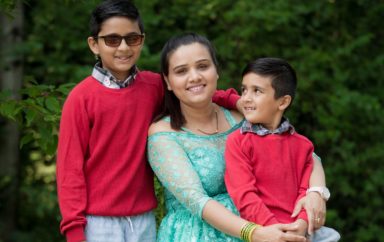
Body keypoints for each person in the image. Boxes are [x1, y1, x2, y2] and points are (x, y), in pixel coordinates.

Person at [56, 1, 239, 242]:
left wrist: (237, 101)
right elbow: (70, 170)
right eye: (112, 40)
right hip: (97, 221)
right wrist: (74, 232)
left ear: (141, 40)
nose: (123, 47)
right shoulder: (81, 98)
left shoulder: (153, 86)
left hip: (143, 219)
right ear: (94, 45)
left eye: (132, 38)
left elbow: (194, 90)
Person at [147, 33, 329, 242]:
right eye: (181, 71)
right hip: (201, 233)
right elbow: (197, 200)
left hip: (266, 222)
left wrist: (316, 192)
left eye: (203, 66)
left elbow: (304, 154)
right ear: (168, 82)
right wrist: (254, 233)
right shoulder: (163, 134)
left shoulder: (244, 116)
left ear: (217, 71)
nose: (195, 76)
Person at [224, 57, 340, 241]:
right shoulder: (238, 142)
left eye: (257, 91)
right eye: (244, 89)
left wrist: (300, 226)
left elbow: (306, 192)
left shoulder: (302, 145)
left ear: (283, 102)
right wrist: (276, 232)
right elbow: (244, 195)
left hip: (300, 233)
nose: (245, 98)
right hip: (264, 233)